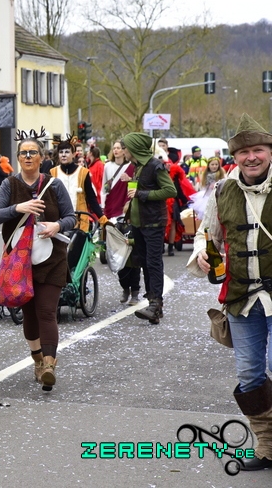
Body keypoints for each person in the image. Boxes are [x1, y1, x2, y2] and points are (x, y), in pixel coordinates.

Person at [186, 113, 272, 472]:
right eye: (244, 153)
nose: (251, 158)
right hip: (241, 297)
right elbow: (206, 235)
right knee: (250, 374)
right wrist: (201, 254)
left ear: (269, 152)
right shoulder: (222, 190)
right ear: (234, 157)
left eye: (258, 150)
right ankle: (267, 444)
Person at [0, 130, 76, 391]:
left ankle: (49, 366)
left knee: (46, 311)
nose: (27, 156)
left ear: (42, 157)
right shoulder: (9, 185)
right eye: (23, 153)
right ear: (17, 158)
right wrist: (18, 208)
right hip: (20, 261)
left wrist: (57, 225)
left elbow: (71, 217)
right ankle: (37, 360)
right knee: (30, 315)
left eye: (32, 152)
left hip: (52, 258)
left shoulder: (54, 185)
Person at [121, 132, 177, 324]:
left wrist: (142, 194)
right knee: (144, 262)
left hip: (153, 223)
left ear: (134, 149)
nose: (124, 151)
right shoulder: (137, 166)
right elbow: (137, 192)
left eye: (126, 148)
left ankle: (155, 304)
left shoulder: (155, 166)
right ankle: (153, 305)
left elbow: (170, 190)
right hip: (139, 223)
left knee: (153, 263)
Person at [101, 140, 140, 304]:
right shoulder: (107, 166)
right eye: (114, 148)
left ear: (124, 151)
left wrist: (129, 179)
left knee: (134, 263)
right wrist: (104, 201)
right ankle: (125, 289)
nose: (117, 150)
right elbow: (105, 187)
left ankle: (135, 292)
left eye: (119, 148)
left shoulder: (132, 166)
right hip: (112, 206)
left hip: (126, 205)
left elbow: (135, 186)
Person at [50, 138, 105, 233]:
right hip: (59, 222)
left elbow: (91, 198)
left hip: (80, 221)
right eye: (61, 152)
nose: (63, 155)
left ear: (73, 154)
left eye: (67, 152)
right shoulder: (53, 172)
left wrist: (103, 219)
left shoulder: (83, 172)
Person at [164, 148, 196, 256]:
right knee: (165, 224)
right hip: (162, 201)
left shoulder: (175, 172)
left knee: (172, 223)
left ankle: (170, 247)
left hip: (171, 201)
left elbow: (178, 188)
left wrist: (185, 200)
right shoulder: (157, 170)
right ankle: (165, 246)